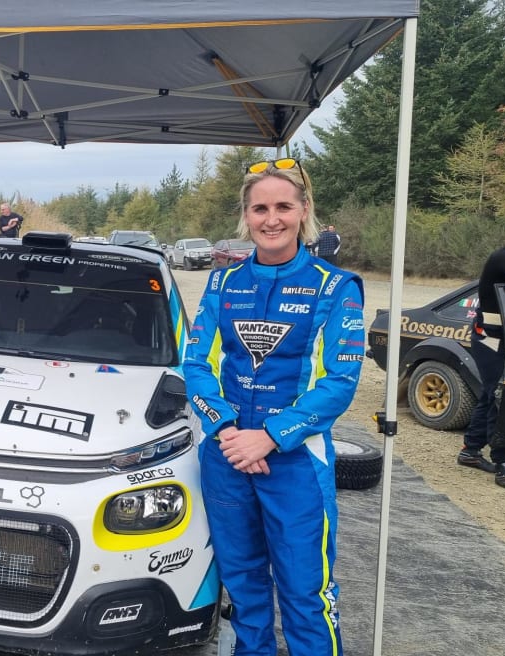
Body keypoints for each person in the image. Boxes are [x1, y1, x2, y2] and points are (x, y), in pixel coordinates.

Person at [183, 158, 364, 656]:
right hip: (227, 457)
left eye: (283, 206)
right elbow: (195, 364)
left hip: (296, 461)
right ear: (246, 216)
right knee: (243, 589)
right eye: (260, 208)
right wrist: (226, 431)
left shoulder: (335, 287)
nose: (272, 219)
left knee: (307, 594)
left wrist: (269, 436)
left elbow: (340, 381)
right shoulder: (222, 284)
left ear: (304, 211)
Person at [458, 207, 505, 491]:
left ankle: (470, 451)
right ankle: (504, 464)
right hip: (490, 339)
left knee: (490, 395)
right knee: (503, 395)